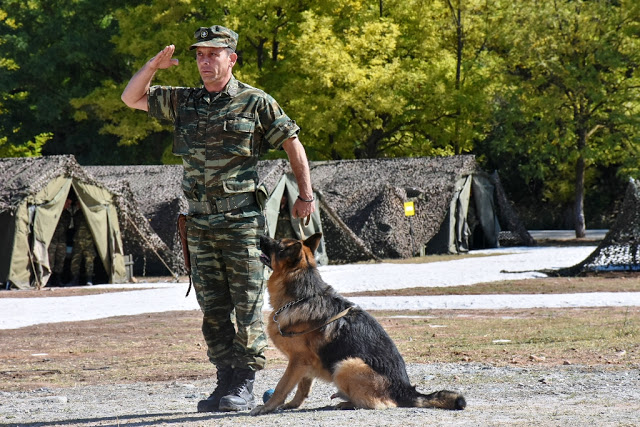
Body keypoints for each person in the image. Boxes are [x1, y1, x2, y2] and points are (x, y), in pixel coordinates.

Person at [121, 25, 316, 413]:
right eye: (199, 55)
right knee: (213, 307)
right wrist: (153, 66)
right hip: (199, 223)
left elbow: (292, 141)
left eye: (213, 54)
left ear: (232, 58)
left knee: (245, 303)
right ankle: (224, 379)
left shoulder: (255, 101)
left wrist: (305, 194)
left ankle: (244, 382)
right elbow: (131, 98)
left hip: (241, 221)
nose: (205, 61)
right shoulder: (185, 101)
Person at [69, 202, 97, 286]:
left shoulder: (90, 213)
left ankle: (89, 279)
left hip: (89, 241)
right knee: (75, 261)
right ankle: (74, 279)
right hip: (78, 241)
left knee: (89, 261)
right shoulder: (77, 214)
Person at [47, 198, 72, 287]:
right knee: (50, 260)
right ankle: (48, 280)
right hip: (52, 240)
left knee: (60, 260)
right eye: (67, 202)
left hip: (62, 240)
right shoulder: (54, 211)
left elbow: (67, 226)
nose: (69, 205)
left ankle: (57, 279)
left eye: (70, 203)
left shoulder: (67, 215)